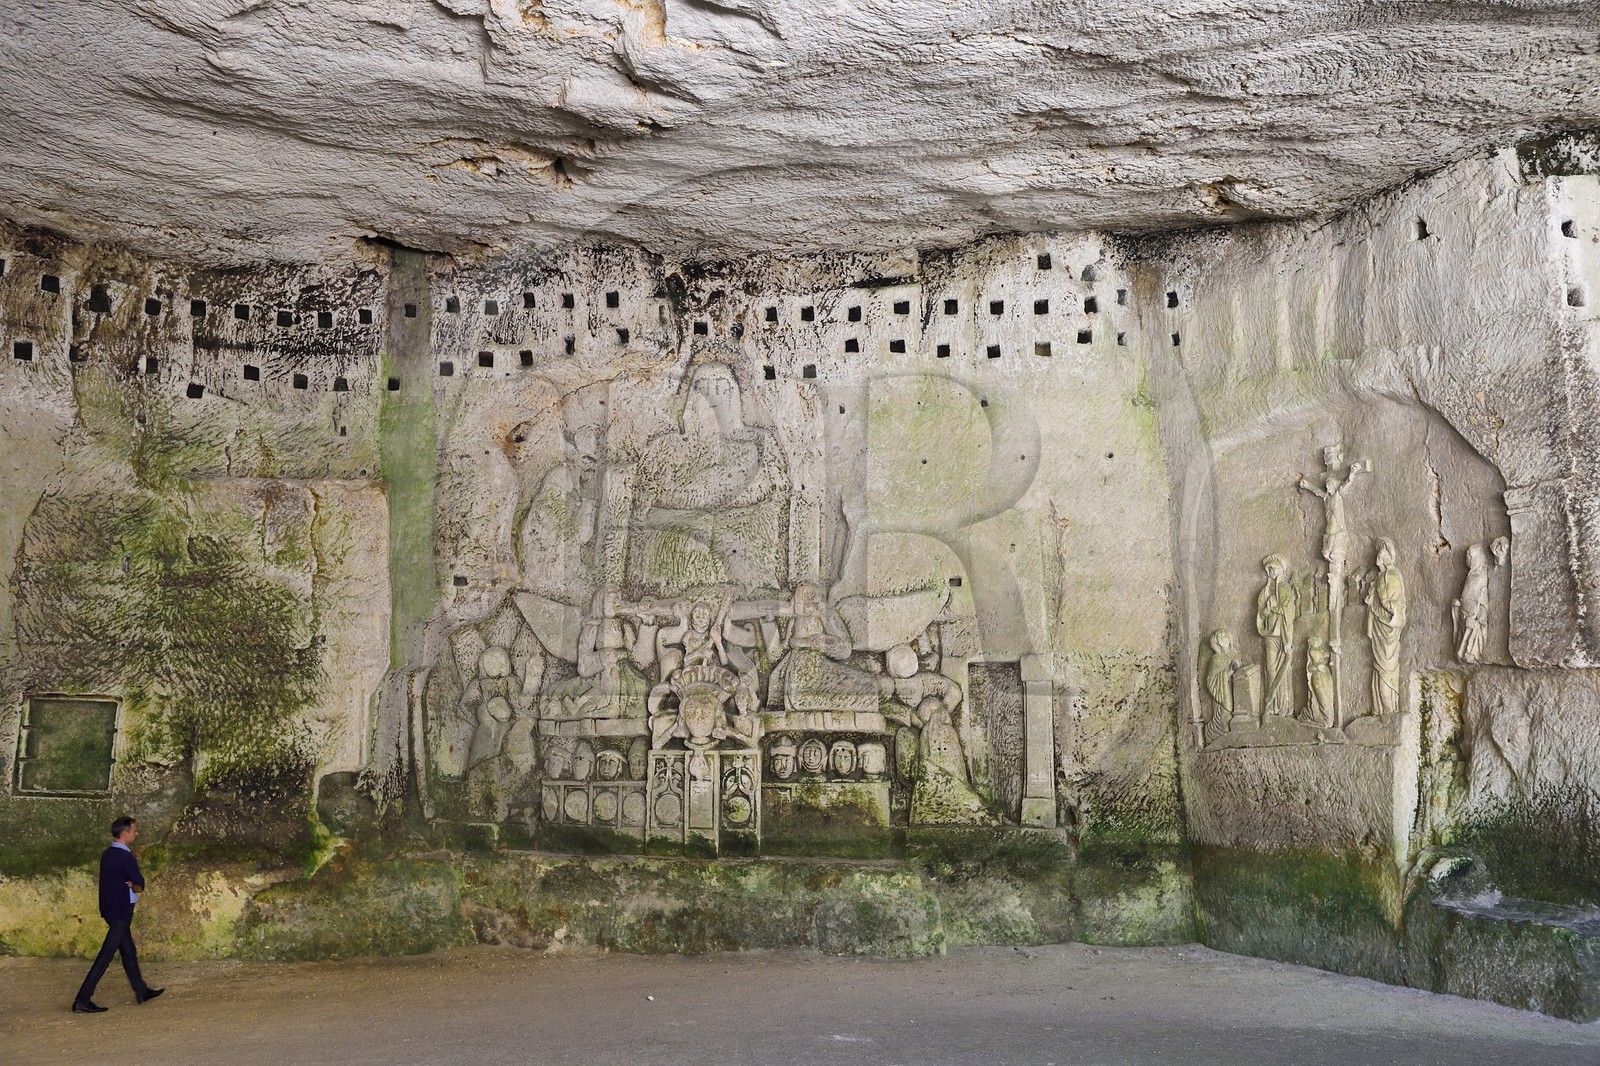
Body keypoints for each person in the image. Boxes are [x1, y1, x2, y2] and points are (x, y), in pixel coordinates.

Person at [73, 817, 162, 1013]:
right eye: (134, 831)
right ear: (125, 833)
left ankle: (141, 990)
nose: (136, 834)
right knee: (106, 956)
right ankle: (82, 998)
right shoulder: (125, 857)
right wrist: (135, 884)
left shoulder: (108, 854)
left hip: (110, 910)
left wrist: (131, 882)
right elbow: (140, 884)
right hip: (122, 911)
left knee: (128, 951)